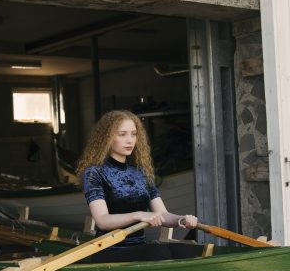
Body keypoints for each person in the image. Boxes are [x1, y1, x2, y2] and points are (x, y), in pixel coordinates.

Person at [77, 110, 200, 262]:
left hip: (139, 246)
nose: (130, 140)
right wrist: (139, 215)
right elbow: (102, 220)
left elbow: (163, 215)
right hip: (110, 249)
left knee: (185, 250)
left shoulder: (141, 172)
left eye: (133, 134)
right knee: (158, 253)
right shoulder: (94, 172)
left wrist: (181, 219)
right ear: (107, 138)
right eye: (122, 134)